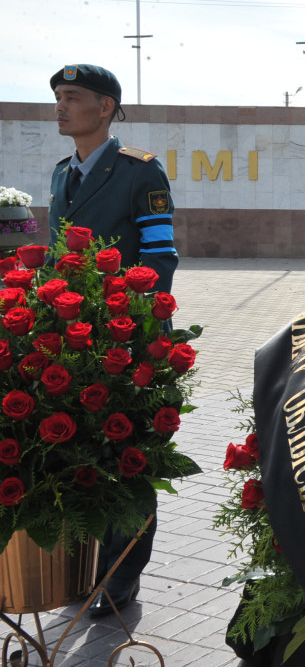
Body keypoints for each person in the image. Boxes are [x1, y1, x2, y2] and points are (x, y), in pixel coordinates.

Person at [48, 63, 178, 617]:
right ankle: (81, 567)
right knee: (77, 453)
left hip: (127, 342)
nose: (60, 106)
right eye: (57, 97)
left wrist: (133, 329)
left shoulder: (140, 173)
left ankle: (121, 576)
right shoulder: (61, 173)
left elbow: (159, 255)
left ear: (105, 107)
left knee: (129, 457)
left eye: (72, 97)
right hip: (71, 345)